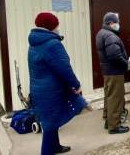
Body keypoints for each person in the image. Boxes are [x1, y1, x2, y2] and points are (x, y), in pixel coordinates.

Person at [28, 12, 87, 155]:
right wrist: (76, 85)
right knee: (49, 124)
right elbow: (64, 68)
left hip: (39, 88)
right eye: (56, 25)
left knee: (50, 120)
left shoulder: (34, 42)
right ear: (51, 26)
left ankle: (55, 146)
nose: (58, 28)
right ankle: (47, 151)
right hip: (51, 90)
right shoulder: (52, 44)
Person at [96, 12, 129, 134]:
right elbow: (115, 55)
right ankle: (114, 126)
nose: (118, 24)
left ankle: (108, 121)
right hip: (115, 71)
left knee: (109, 97)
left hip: (108, 71)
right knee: (116, 98)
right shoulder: (110, 35)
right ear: (110, 23)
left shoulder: (101, 33)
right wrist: (125, 63)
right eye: (117, 22)